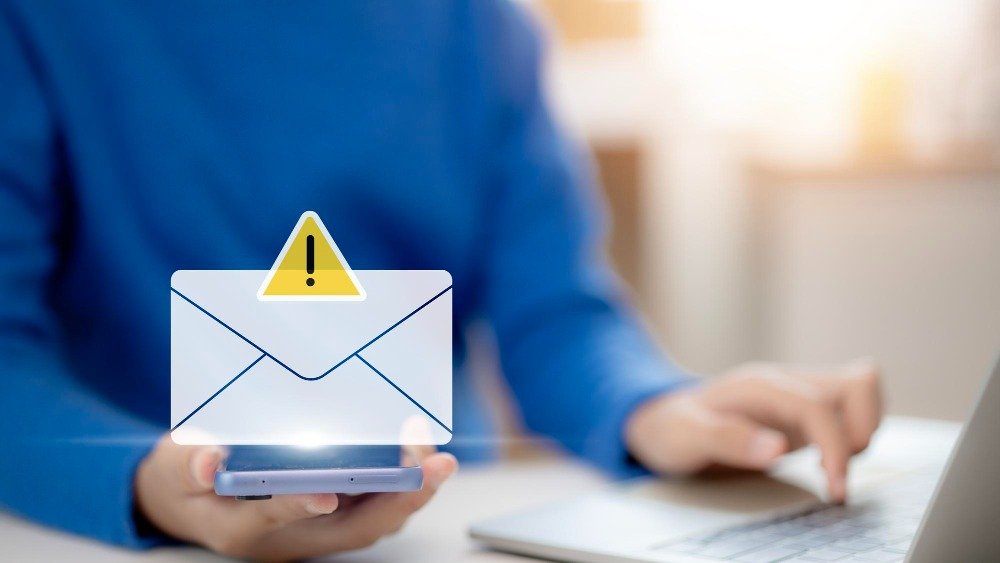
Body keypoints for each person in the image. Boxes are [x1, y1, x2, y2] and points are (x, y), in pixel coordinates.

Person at [0, 1, 881, 560]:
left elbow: (556, 315)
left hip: (440, 525)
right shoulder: (38, 24)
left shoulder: (482, 27)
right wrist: (154, 484)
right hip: (118, 534)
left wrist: (659, 406)